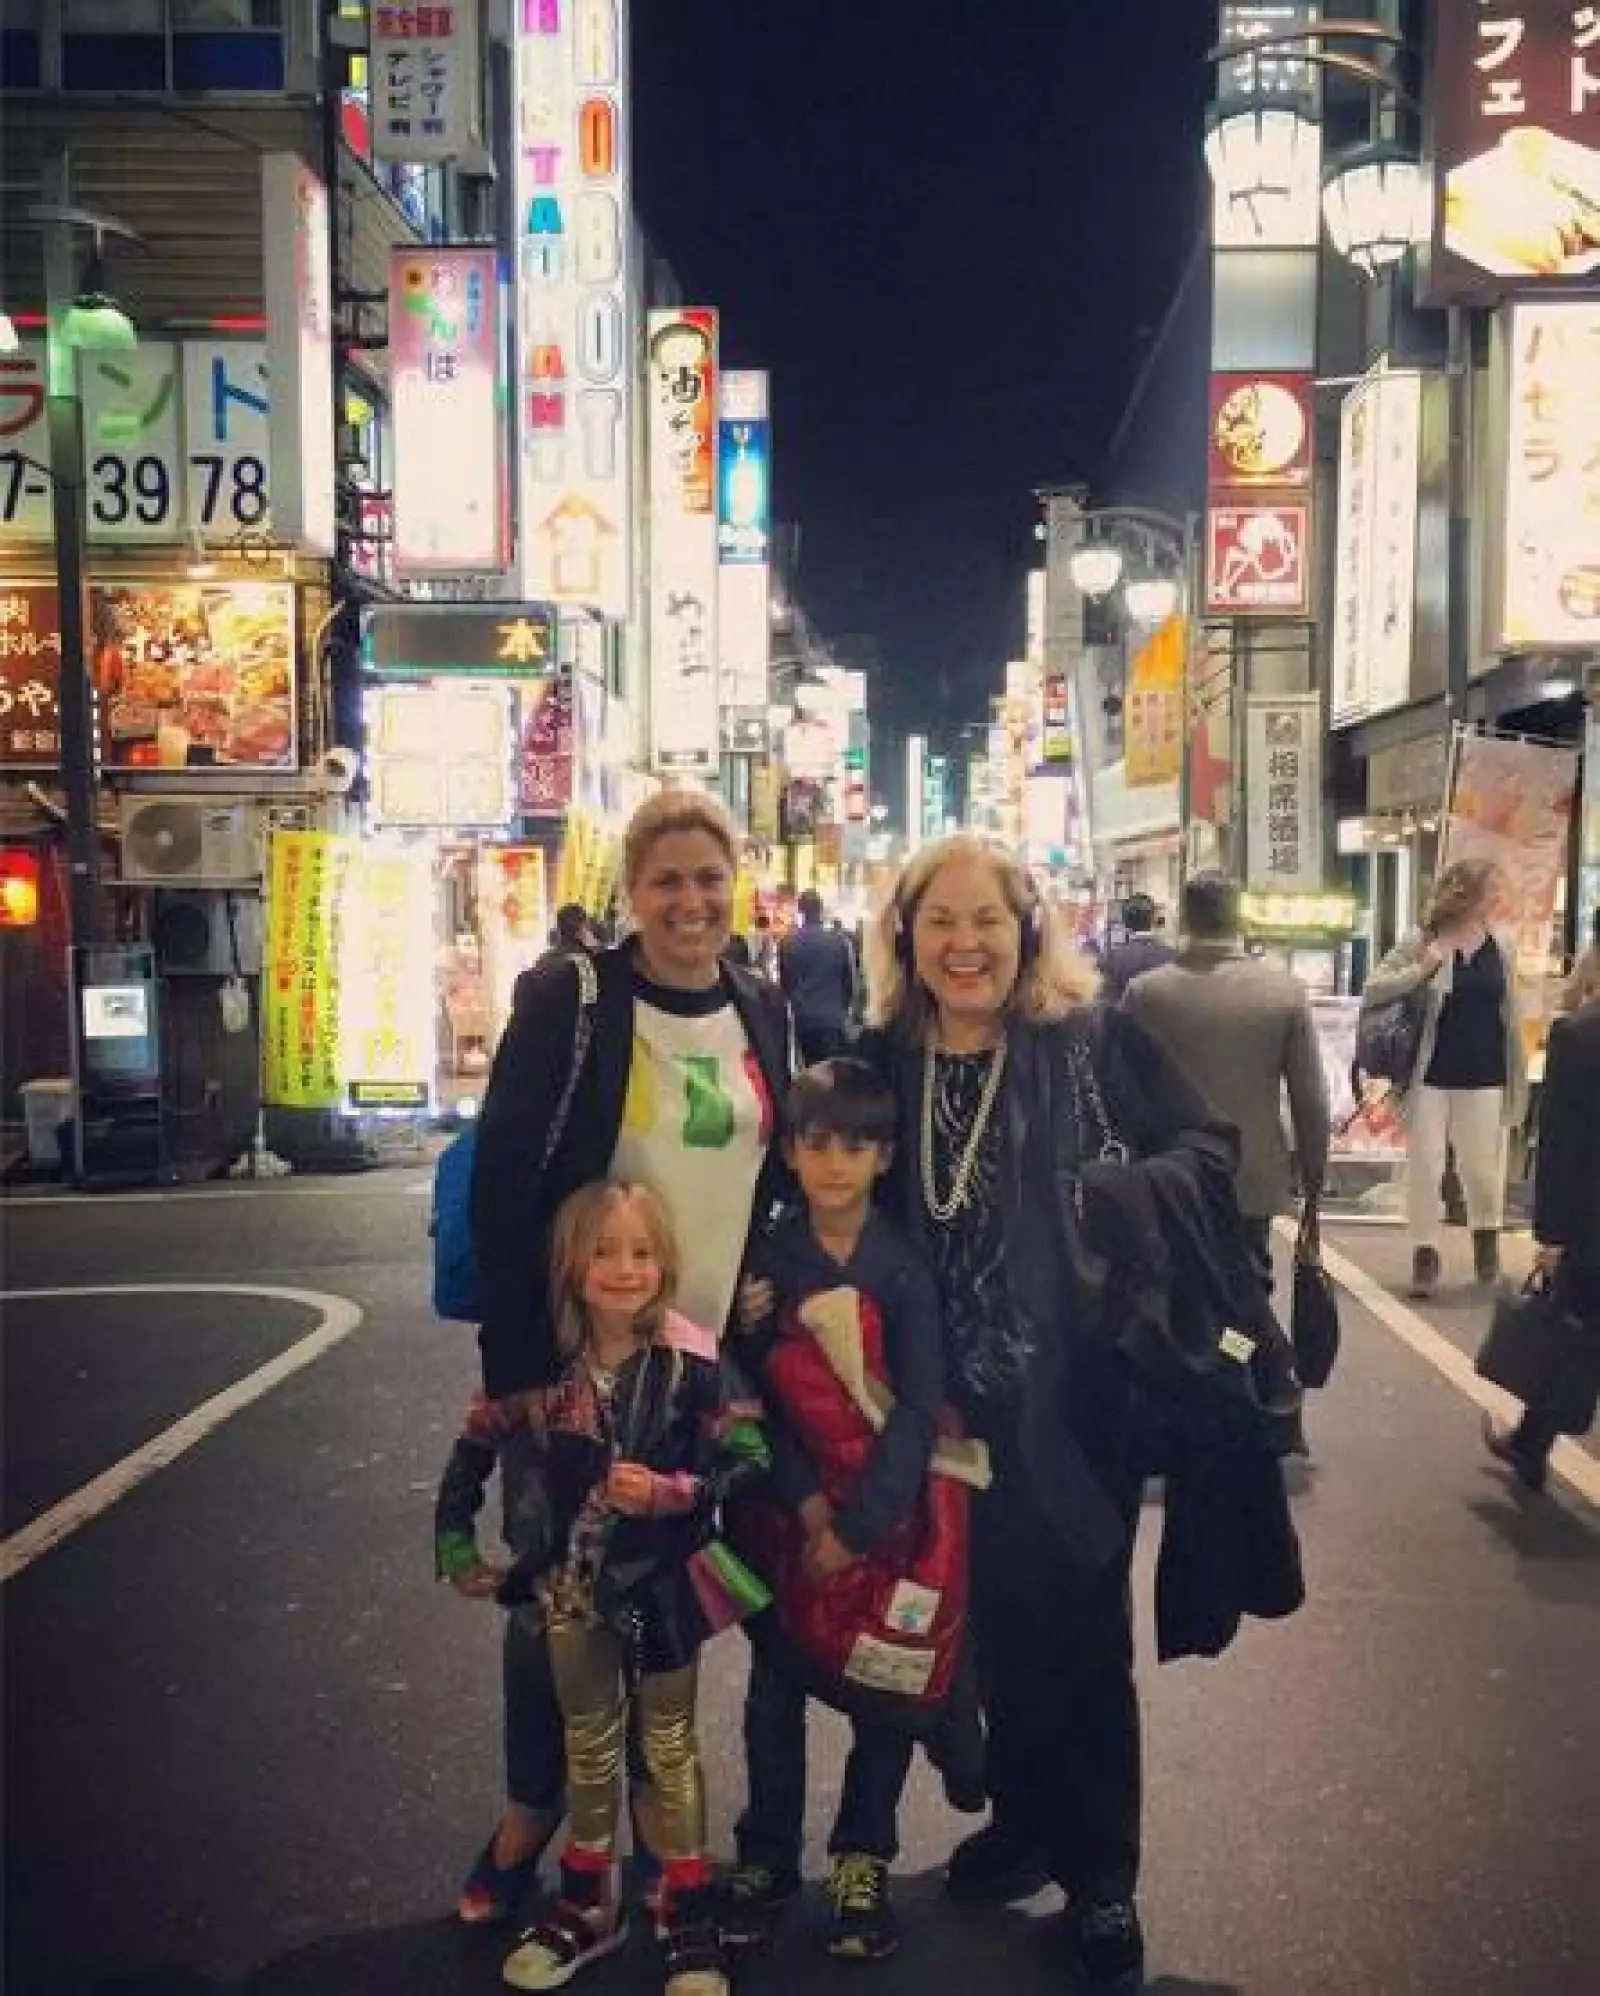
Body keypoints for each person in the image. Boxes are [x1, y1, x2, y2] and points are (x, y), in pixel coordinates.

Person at [858, 834, 1303, 1994]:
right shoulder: (878, 1059)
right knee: (992, 1626)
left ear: (1027, 929)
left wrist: (1126, 1193)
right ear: (906, 934)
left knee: (1080, 1633)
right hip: (937, 1403)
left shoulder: (1092, 1041)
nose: (964, 943)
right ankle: (1025, 1823)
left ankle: (1104, 1873)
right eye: (939, 921)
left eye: (986, 920)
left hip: (1073, 1395)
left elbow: (1210, 1146)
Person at [463, 792, 793, 1936]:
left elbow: (767, 1172)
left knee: (656, 1603)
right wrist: (519, 1364)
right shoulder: (574, 998)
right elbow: (504, 1181)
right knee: (552, 1596)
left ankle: (659, 1837)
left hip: (698, 1375)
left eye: (710, 878)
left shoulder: (761, 1000)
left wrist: (759, 1282)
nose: (690, 902)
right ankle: (530, 1808)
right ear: (629, 892)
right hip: (580, 1357)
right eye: (667, 880)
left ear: (736, 883)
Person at [437, 1180, 768, 1995]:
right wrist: (452, 1538)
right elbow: (472, 1448)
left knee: (669, 1746)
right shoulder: (537, 1364)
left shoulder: (696, 1358)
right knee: (588, 1741)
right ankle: (590, 1906)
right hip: (568, 1590)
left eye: (643, 1252)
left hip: (661, 1587)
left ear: (668, 1262)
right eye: (604, 1251)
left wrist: (671, 1492)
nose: (625, 1269)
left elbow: (747, 1457)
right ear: (569, 1263)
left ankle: (684, 1908)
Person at [721, 1060, 943, 1962]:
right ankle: (767, 1853)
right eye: (817, 1144)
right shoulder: (768, 1265)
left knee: (882, 1692)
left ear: (887, 1157)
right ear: (790, 1151)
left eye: (857, 1145)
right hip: (787, 1513)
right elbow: (758, 1399)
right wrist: (810, 1507)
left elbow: (921, 1406)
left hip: (886, 1519)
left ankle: (863, 1857)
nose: (837, 1163)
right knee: (776, 1687)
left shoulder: (904, 1268)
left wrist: (857, 1528)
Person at [1126, 872, 1329, 1283]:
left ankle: (1195, 1345)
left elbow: (1120, 1093)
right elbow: (1312, 1103)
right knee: (1244, 1295)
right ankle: (1237, 1347)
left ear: (1185, 919)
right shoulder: (1283, 993)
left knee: (1177, 1293)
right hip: (1251, 1178)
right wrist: (1312, 1186)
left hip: (1167, 1178)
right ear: (1240, 920)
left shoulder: (1145, 994)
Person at [1363, 858, 1526, 1300]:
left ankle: (1486, 1249)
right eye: (1491, 890)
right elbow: (1375, 986)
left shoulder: (1502, 944)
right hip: (1430, 1073)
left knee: (1481, 1167)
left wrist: (1519, 1074)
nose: (1497, 899)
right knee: (1426, 1164)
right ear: (1469, 895)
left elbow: (1510, 1016)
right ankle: (1425, 1253)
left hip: (1486, 1072)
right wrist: (1423, 969)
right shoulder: (1424, 940)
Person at [1483, 948, 1600, 1489]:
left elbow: (1561, 1148)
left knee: (1573, 1332)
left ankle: (1532, 1443)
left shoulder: (1578, 1037)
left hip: (1590, 1225)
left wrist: (1551, 1233)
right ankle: (1530, 1440)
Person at [779, 888, 858, 1062]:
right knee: (834, 1077)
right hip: (834, 1021)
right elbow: (850, 984)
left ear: (800, 910)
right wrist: (843, 1012)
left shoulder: (788, 943)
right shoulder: (840, 942)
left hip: (803, 1022)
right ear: (821, 909)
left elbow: (785, 987)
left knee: (810, 1076)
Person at [1100, 892, 1174, 1001]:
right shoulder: (1171, 956)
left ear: (1125, 923)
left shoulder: (1114, 958)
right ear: (1153, 919)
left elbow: (1108, 1002)